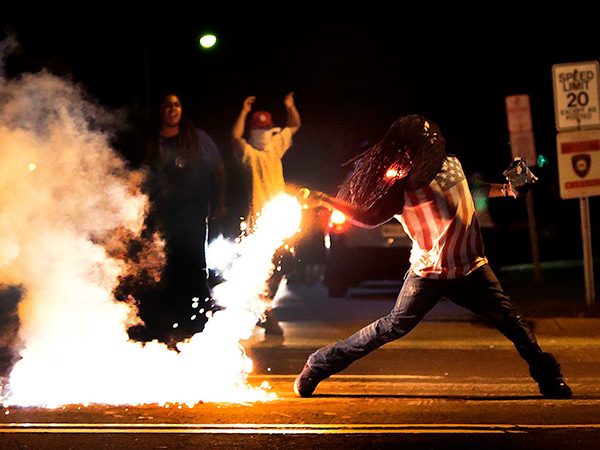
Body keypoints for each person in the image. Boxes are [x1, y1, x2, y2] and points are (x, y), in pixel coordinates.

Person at [293, 114, 572, 399]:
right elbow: (368, 217)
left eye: (433, 140)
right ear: (407, 150)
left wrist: (508, 190)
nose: (433, 145)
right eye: (425, 143)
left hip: (471, 268)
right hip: (428, 274)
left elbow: (468, 187)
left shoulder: (450, 163)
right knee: (391, 327)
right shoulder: (401, 185)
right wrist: (324, 199)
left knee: (512, 322)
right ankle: (318, 364)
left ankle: (550, 379)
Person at [141, 92, 227, 344]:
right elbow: (145, 177)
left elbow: (219, 170)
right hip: (162, 216)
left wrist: (219, 203)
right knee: (165, 268)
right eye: (167, 105)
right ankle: (165, 325)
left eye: (176, 105)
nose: (172, 109)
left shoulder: (197, 139)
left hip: (193, 214)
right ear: (160, 110)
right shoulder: (153, 142)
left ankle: (196, 323)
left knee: (193, 265)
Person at [232, 92, 301, 336]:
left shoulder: (275, 149)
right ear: (252, 132)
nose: (262, 133)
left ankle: (263, 308)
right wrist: (244, 111)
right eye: (258, 129)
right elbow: (235, 137)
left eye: (265, 129)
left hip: (278, 221)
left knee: (283, 266)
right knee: (261, 268)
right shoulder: (250, 155)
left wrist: (290, 106)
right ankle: (263, 312)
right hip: (257, 224)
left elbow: (294, 125)